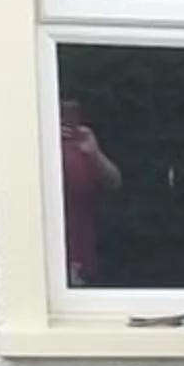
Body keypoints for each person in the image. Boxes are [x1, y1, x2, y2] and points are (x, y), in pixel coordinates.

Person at [59, 98, 121, 286]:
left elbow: (114, 182)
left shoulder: (83, 144)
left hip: (83, 250)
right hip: (52, 253)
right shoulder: (38, 147)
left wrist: (93, 153)